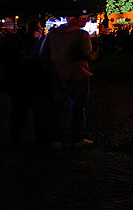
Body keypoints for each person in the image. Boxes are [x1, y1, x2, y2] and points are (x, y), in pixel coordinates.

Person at [41, 12, 97, 148]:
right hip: (78, 74)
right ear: (76, 19)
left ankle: (57, 138)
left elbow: (43, 54)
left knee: (58, 107)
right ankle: (78, 136)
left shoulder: (53, 34)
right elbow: (87, 55)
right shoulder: (82, 35)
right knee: (79, 106)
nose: (86, 21)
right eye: (84, 18)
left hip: (57, 74)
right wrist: (94, 54)